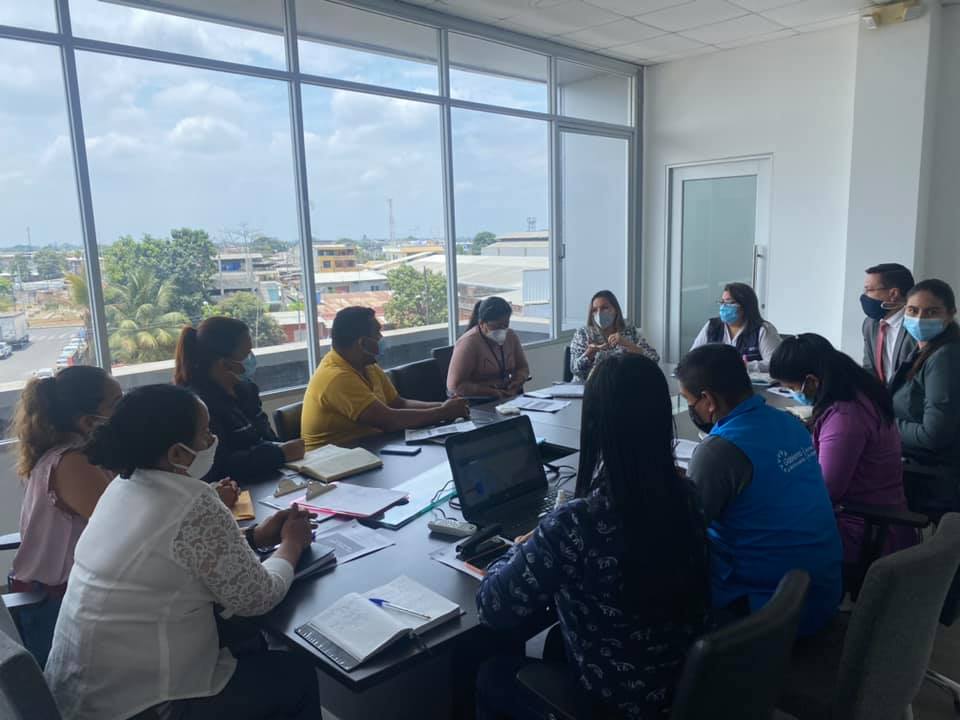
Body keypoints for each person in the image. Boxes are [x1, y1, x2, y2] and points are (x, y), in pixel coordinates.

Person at [44, 384, 321, 720]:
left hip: (77, 696)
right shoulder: (192, 499)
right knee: (295, 674)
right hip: (139, 707)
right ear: (177, 453)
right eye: (205, 433)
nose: (212, 440)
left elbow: (175, 554)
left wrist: (255, 536)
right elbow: (258, 598)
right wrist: (292, 543)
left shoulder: (123, 486)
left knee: (244, 640)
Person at [476, 355, 710, 720]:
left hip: (614, 703)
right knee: (555, 641)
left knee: (492, 673)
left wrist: (519, 549)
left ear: (595, 425)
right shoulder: (688, 496)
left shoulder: (577, 523)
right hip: (679, 684)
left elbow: (493, 607)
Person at [677, 344, 841, 636]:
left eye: (690, 401)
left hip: (764, 618)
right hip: (819, 595)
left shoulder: (718, 451)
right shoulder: (790, 423)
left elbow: (684, 531)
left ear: (708, 400)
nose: (692, 409)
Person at [8, 366, 122, 667]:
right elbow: (124, 529)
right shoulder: (73, 462)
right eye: (117, 403)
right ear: (88, 421)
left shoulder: (78, 454)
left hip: (74, 595)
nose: (126, 411)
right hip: (58, 606)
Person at [769, 334, 917, 564]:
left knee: (761, 536)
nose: (792, 393)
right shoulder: (858, 393)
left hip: (865, 530)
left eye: (791, 388)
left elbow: (826, 491)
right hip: (868, 517)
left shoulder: (845, 417)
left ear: (812, 381)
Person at [302, 306, 470, 449]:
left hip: (368, 449)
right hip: (334, 465)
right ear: (362, 343)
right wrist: (442, 412)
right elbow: (389, 420)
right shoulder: (337, 377)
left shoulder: (367, 365)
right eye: (377, 333)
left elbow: (399, 403)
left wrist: (446, 406)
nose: (381, 338)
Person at [174, 317, 304, 487]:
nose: (251, 359)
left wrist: (282, 450)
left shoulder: (247, 390)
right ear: (224, 363)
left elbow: (267, 436)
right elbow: (219, 465)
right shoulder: (199, 406)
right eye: (246, 354)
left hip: (274, 477)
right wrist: (279, 454)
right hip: (235, 488)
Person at [891, 279, 960, 510]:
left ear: (950, 314)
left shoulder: (944, 357)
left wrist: (884, 424)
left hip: (929, 477)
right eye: (912, 310)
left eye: (932, 312)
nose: (920, 319)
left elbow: (933, 435)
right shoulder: (922, 349)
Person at [447, 297, 530, 398]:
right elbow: (455, 386)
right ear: (482, 323)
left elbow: (523, 368)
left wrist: (517, 381)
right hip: (479, 400)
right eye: (497, 326)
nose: (502, 330)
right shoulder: (469, 343)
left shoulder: (511, 336)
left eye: (505, 325)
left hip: (507, 395)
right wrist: (491, 392)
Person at [689, 282, 782, 373]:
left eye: (729, 302)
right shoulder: (712, 326)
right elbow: (693, 356)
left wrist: (747, 366)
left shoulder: (763, 329)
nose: (723, 306)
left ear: (745, 306)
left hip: (750, 381)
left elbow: (776, 364)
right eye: (722, 302)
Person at [569, 289, 659, 381]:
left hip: (622, 384)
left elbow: (654, 359)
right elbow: (574, 369)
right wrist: (588, 355)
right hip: (588, 386)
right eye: (595, 310)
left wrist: (628, 344)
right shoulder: (583, 334)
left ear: (615, 309)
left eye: (605, 308)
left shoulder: (629, 331)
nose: (599, 314)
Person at [861, 263, 916, 385]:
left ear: (893, 294)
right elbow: (869, 368)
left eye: (869, 290)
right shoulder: (870, 324)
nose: (864, 296)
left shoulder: (916, 326)